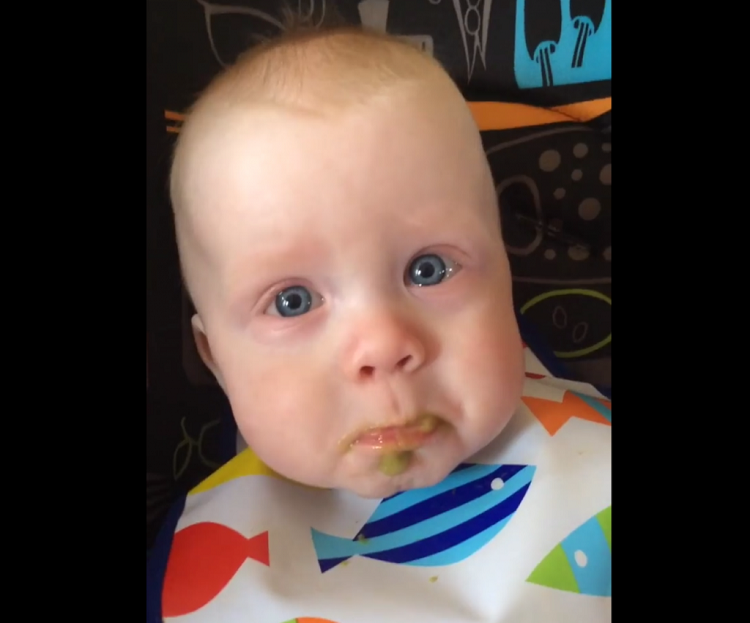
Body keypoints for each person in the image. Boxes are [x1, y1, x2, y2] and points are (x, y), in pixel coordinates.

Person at [169, 22, 524, 500]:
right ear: (216, 359)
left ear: (504, 274)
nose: (382, 346)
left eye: (430, 270)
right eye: (292, 302)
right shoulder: (205, 561)